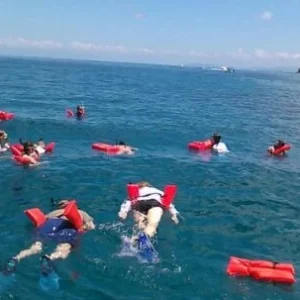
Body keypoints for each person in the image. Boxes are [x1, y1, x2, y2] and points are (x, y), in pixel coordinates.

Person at [4, 200, 95, 275]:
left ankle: (16, 258)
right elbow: (91, 226)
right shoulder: (81, 212)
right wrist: (85, 229)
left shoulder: (53, 213)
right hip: (67, 227)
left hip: (48, 225)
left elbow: (41, 221)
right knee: (65, 247)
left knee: (36, 246)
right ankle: (50, 258)